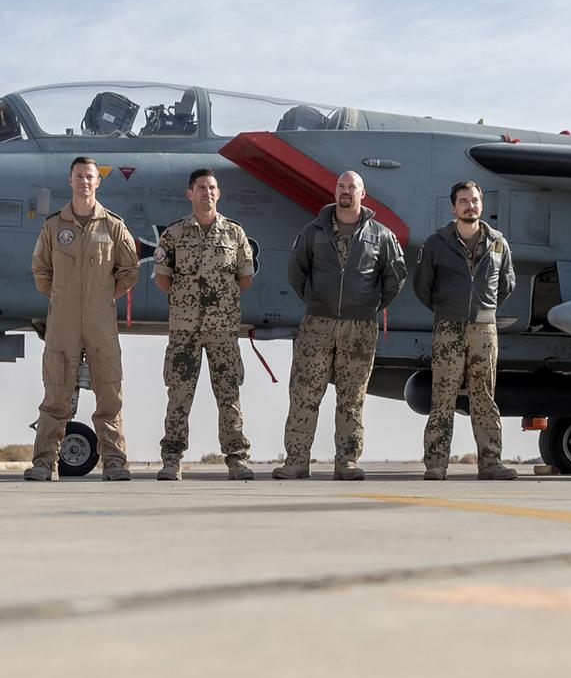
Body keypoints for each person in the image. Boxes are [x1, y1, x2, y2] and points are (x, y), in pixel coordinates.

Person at [274, 171, 406, 480]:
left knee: (352, 397)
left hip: (360, 328)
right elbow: (297, 272)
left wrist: (369, 304)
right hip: (316, 325)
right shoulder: (314, 231)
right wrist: (317, 301)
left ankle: (346, 461)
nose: (345, 191)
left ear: (364, 194)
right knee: (304, 394)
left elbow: (395, 277)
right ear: (336, 192)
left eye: (352, 187)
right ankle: (296, 461)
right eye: (341, 186)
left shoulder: (381, 236)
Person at [25, 156, 139, 481]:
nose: (84, 182)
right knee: (55, 395)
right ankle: (44, 464)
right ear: (70, 180)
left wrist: (102, 298)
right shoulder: (53, 226)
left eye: (90, 176)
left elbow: (129, 270)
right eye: (79, 176)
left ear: (98, 181)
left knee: (109, 394)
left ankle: (115, 464)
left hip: (100, 322)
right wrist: (64, 299)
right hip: (63, 321)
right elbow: (41, 272)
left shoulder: (113, 226)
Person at [153, 169, 256, 481]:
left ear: (218, 193)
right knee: (179, 396)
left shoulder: (235, 234)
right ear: (190, 194)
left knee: (229, 396)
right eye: (200, 187)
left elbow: (245, 278)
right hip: (184, 330)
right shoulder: (173, 235)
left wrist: (218, 305)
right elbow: (162, 278)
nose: (207, 192)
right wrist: (188, 303)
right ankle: (171, 460)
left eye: (212, 187)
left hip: (222, 331)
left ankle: (237, 459)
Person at [413, 179, 517, 480]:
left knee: (484, 395)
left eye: (474, 200)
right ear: (453, 207)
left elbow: (506, 285)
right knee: (442, 396)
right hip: (448, 328)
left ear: (481, 205)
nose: (470, 206)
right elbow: (423, 287)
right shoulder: (436, 243)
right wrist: (449, 308)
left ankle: (491, 463)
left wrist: (482, 309)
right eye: (463, 201)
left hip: (485, 330)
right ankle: (435, 464)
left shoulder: (498, 243)